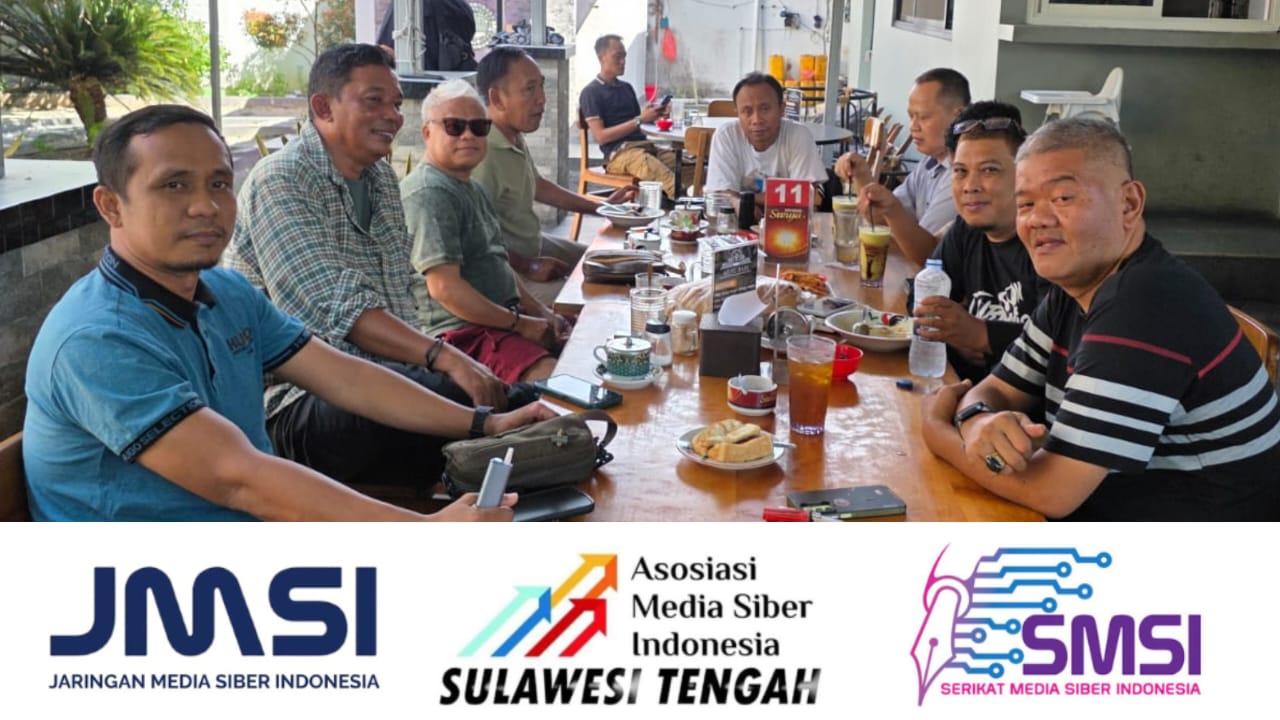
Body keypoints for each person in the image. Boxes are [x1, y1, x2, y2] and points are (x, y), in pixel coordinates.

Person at [22, 105, 554, 521]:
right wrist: (425, 532)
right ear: (111, 206)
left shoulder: (225, 293)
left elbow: (347, 379)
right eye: (174, 185)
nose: (206, 206)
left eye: (219, 183)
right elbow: (237, 478)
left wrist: (486, 422)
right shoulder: (97, 338)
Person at [922, 117, 1280, 521]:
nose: (1037, 219)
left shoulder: (1146, 304)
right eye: (1026, 204)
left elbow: (1050, 492)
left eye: (1063, 198)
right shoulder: (1073, 290)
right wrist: (976, 421)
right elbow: (997, 389)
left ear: (1129, 204)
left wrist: (939, 431)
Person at [224, 43, 530, 488]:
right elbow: (338, 312)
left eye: (396, 103)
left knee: (506, 395)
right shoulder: (282, 180)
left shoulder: (382, 179)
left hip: (380, 383)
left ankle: (510, 471)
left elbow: (398, 301)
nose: (392, 115)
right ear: (323, 107)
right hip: (295, 404)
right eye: (374, 101)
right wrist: (444, 359)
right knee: (460, 397)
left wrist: (445, 366)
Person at [402, 79, 569, 384]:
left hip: (500, 321)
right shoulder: (429, 192)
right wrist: (520, 324)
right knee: (558, 381)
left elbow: (499, 264)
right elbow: (445, 290)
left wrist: (541, 313)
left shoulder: (472, 188)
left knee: (588, 343)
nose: (468, 135)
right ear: (427, 133)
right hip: (461, 336)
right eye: (454, 126)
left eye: (479, 127)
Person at [472, 46, 636, 301]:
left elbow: (537, 185)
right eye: (529, 89)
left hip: (532, 246)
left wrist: (602, 207)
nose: (542, 99)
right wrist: (527, 265)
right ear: (497, 99)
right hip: (505, 273)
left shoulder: (510, 135)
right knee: (601, 295)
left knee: (613, 265)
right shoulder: (480, 154)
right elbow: (474, 240)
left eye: (541, 86)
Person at [912, 101, 1050, 383]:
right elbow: (921, 297)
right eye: (960, 171)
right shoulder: (967, 230)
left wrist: (982, 335)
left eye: (989, 170)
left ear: (1023, 176)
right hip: (965, 390)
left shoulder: (1046, 241)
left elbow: (1060, 343)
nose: (970, 186)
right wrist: (957, 336)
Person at [835, 68, 969, 266]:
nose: (913, 126)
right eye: (911, 116)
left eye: (923, 117)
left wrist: (892, 210)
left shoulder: (962, 177)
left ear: (957, 117)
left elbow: (925, 251)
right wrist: (861, 174)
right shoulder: (929, 163)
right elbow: (883, 219)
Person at [703, 72, 827, 214]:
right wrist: (743, 206)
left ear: (782, 109)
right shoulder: (726, 136)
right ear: (737, 113)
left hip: (788, 223)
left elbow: (807, 197)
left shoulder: (799, 136)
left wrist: (746, 201)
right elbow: (722, 197)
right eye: (747, 111)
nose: (756, 120)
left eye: (765, 109)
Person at [580, 34, 682, 200]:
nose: (623, 61)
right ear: (601, 57)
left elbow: (637, 123)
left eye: (624, 56)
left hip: (646, 147)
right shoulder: (591, 92)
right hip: (619, 154)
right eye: (617, 56)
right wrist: (640, 119)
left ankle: (694, 204)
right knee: (664, 177)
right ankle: (684, 207)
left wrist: (654, 116)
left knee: (689, 166)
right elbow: (601, 136)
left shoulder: (626, 88)